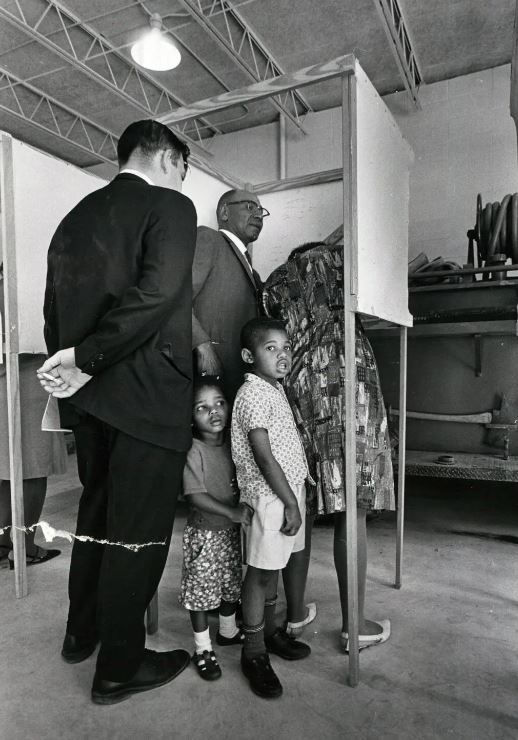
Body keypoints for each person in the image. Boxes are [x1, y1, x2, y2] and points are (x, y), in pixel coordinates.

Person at [37, 119, 197, 705]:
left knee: (98, 519)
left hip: (90, 400)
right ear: (164, 156)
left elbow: (54, 306)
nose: (183, 177)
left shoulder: (74, 217)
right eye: (183, 165)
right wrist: (88, 355)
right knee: (138, 535)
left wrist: (76, 368)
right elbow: (156, 296)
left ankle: (82, 633)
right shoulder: (171, 209)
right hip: (148, 396)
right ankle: (120, 667)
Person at [263, 242, 395, 653]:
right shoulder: (343, 259)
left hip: (300, 388)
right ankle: (354, 626)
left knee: (301, 500)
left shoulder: (276, 282)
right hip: (349, 385)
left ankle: (297, 612)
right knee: (350, 508)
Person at [231, 317, 311, 699]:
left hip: (287, 493)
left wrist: (294, 497)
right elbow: (264, 458)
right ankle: (253, 651)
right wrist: (291, 503)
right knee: (260, 573)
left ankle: (270, 632)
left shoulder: (273, 388)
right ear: (249, 355)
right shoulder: (252, 395)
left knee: (275, 565)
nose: (283, 355)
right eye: (271, 348)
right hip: (270, 496)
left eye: (287, 347)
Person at [179, 377, 252, 681]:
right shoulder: (193, 450)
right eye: (202, 408)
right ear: (191, 418)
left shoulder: (233, 444)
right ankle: (202, 648)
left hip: (230, 532)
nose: (214, 412)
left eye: (219, 403)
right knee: (201, 593)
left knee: (231, 584)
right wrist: (232, 512)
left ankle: (228, 630)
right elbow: (194, 495)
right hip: (205, 534)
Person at [0, 266, 67, 568]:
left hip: (14, 365)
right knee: (31, 465)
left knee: (5, 465)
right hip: (26, 367)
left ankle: (5, 543)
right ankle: (23, 547)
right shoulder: (23, 259)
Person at [192, 189, 268, 401]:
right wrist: (202, 346)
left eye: (262, 211)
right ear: (225, 212)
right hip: (209, 376)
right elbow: (178, 298)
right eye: (250, 207)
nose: (259, 215)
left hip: (239, 382)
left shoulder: (253, 272)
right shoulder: (209, 239)